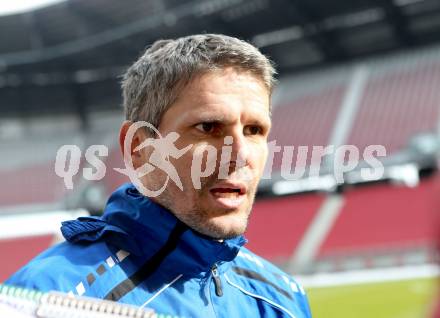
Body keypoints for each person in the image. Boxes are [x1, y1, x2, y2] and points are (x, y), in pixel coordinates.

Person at [7, 34, 312, 318]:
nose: (241, 155)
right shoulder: (46, 301)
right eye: (208, 128)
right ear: (139, 148)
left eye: (254, 130)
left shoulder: (282, 297)